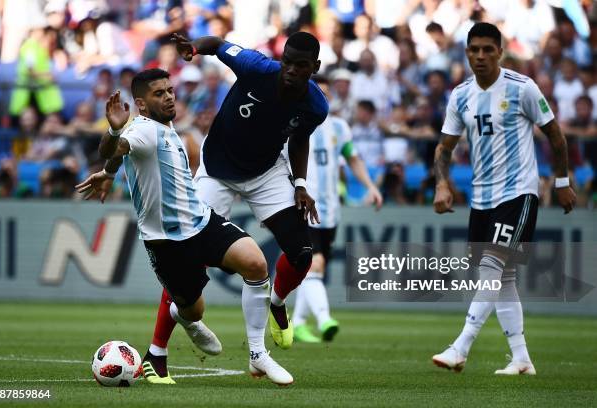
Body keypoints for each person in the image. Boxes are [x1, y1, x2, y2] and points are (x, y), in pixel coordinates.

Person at [99, 32, 328, 383]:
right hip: (217, 170)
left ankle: (276, 306)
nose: (291, 71)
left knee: (302, 254)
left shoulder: (316, 106)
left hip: (267, 173)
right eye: (287, 63)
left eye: (301, 66)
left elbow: (299, 138)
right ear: (280, 60)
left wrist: (300, 183)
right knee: (185, 255)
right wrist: (194, 48)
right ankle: (157, 352)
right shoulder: (256, 67)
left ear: (315, 68)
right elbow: (217, 44)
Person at [75, 69, 293, 386]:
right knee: (194, 311)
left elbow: (118, 155)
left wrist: (109, 174)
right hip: (166, 243)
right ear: (142, 104)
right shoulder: (144, 130)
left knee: (256, 263)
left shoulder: (164, 126)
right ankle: (185, 316)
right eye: (159, 94)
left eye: (170, 90)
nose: (168, 97)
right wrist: (113, 130)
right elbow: (115, 147)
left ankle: (258, 355)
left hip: (201, 221)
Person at [431, 23, 576, 375]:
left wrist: (561, 182)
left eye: (487, 50)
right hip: (482, 197)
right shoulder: (461, 95)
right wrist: (442, 184)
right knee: (503, 276)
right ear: (466, 53)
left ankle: (460, 346)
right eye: (474, 50)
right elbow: (444, 147)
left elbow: (555, 136)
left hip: (519, 192)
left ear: (500, 52)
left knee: (492, 268)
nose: (480, 56)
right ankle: (521, 358)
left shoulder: (522, 88)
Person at [291, 75, 383, 343]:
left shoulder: (340, 127)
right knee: (314, 265)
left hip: (331, 210)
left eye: (326, 93)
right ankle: (324, 319)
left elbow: (353, 159)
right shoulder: (295, 124)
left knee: (314, 270)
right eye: (317, 92)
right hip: (304, 206)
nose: (322, 97)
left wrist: (371, 187)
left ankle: (297, 322)